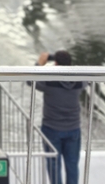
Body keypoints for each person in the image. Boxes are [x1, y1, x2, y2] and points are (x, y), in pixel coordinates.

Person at [36, 50, 85, 184]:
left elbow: (30, 80)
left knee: (53, 165)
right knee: (72, 165)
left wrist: (39, 64)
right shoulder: (80, 81)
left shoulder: (48, 80)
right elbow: (87, 78)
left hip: (51, 129)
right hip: (73, 129)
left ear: (56, 63)